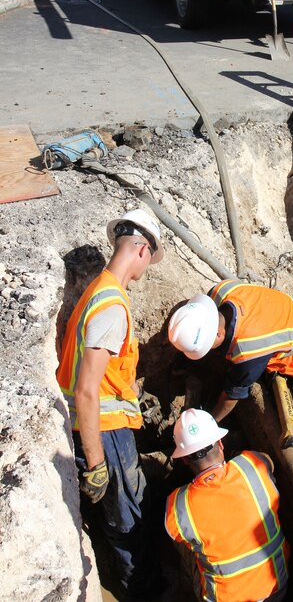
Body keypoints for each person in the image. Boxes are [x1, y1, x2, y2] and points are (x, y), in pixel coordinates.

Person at [56, 208, 165, 599]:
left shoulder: (96, 290)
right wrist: (98, 462)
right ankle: (142, 591)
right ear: (141, 251)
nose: (147, 268)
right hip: (105, 434)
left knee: (125, 512)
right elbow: (87, 389)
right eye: (150, 260)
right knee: (127, 521)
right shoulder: (112, 307)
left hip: (97, 426)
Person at [168, 280, 293, 450]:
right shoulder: (218, 293)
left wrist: (209, 425)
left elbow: (231, 396)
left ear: (219, 333)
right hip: (284, 315)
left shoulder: (249, 349)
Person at [165, 408, 290, 602]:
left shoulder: (178, 505)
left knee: (187, 545)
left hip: (226, 599)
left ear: (184, 459)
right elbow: (268, 462)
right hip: (275, 588)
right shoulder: (253, 463)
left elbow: (173, 533)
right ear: (221, 444)